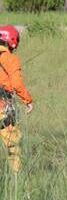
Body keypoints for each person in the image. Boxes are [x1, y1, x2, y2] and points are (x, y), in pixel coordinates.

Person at [0, 25, 33, 173]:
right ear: (12, 41)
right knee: (13, 146)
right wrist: (28, 100)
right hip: (4, 106)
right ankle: (16, 178)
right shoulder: (10, 59)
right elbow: (17, 84)